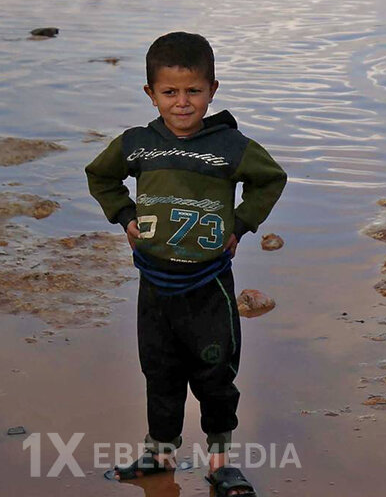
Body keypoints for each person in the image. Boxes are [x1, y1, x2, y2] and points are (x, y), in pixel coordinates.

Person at [86, 32, 287, 497]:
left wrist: (241, 225)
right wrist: (125, 216)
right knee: (160, 372)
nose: (182, 102)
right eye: (170, 92)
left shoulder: (230, 146)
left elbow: (270, 179)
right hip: (155, 285)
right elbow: (100, 176)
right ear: (151, 93)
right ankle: (160, 455)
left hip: (208, 285)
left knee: (216, 378)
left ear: (212, 89)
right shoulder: (138, 144)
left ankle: (220, 465)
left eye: (193, 91)